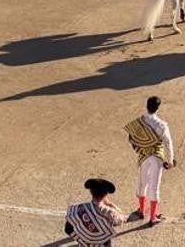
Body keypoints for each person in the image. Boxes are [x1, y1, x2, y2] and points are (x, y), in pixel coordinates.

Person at [124, 96, 175, 226]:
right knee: (154, 186)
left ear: (147, 106)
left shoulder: (138, 122)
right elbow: (168, 143)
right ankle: (152, 217)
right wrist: (170, 160)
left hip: (143, 155)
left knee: (142, 183)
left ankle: (141, 210)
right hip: (157, 157)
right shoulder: (162, 125)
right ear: (158, 108)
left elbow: (131, 138)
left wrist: (140, 148)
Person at [65, 178, 127, 246]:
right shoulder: (109, 212)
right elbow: (122, 218)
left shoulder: (80, 208)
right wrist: (110, 204)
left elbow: (68, 229)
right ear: (105, 194)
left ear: (91, 192)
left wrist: (83, 241)